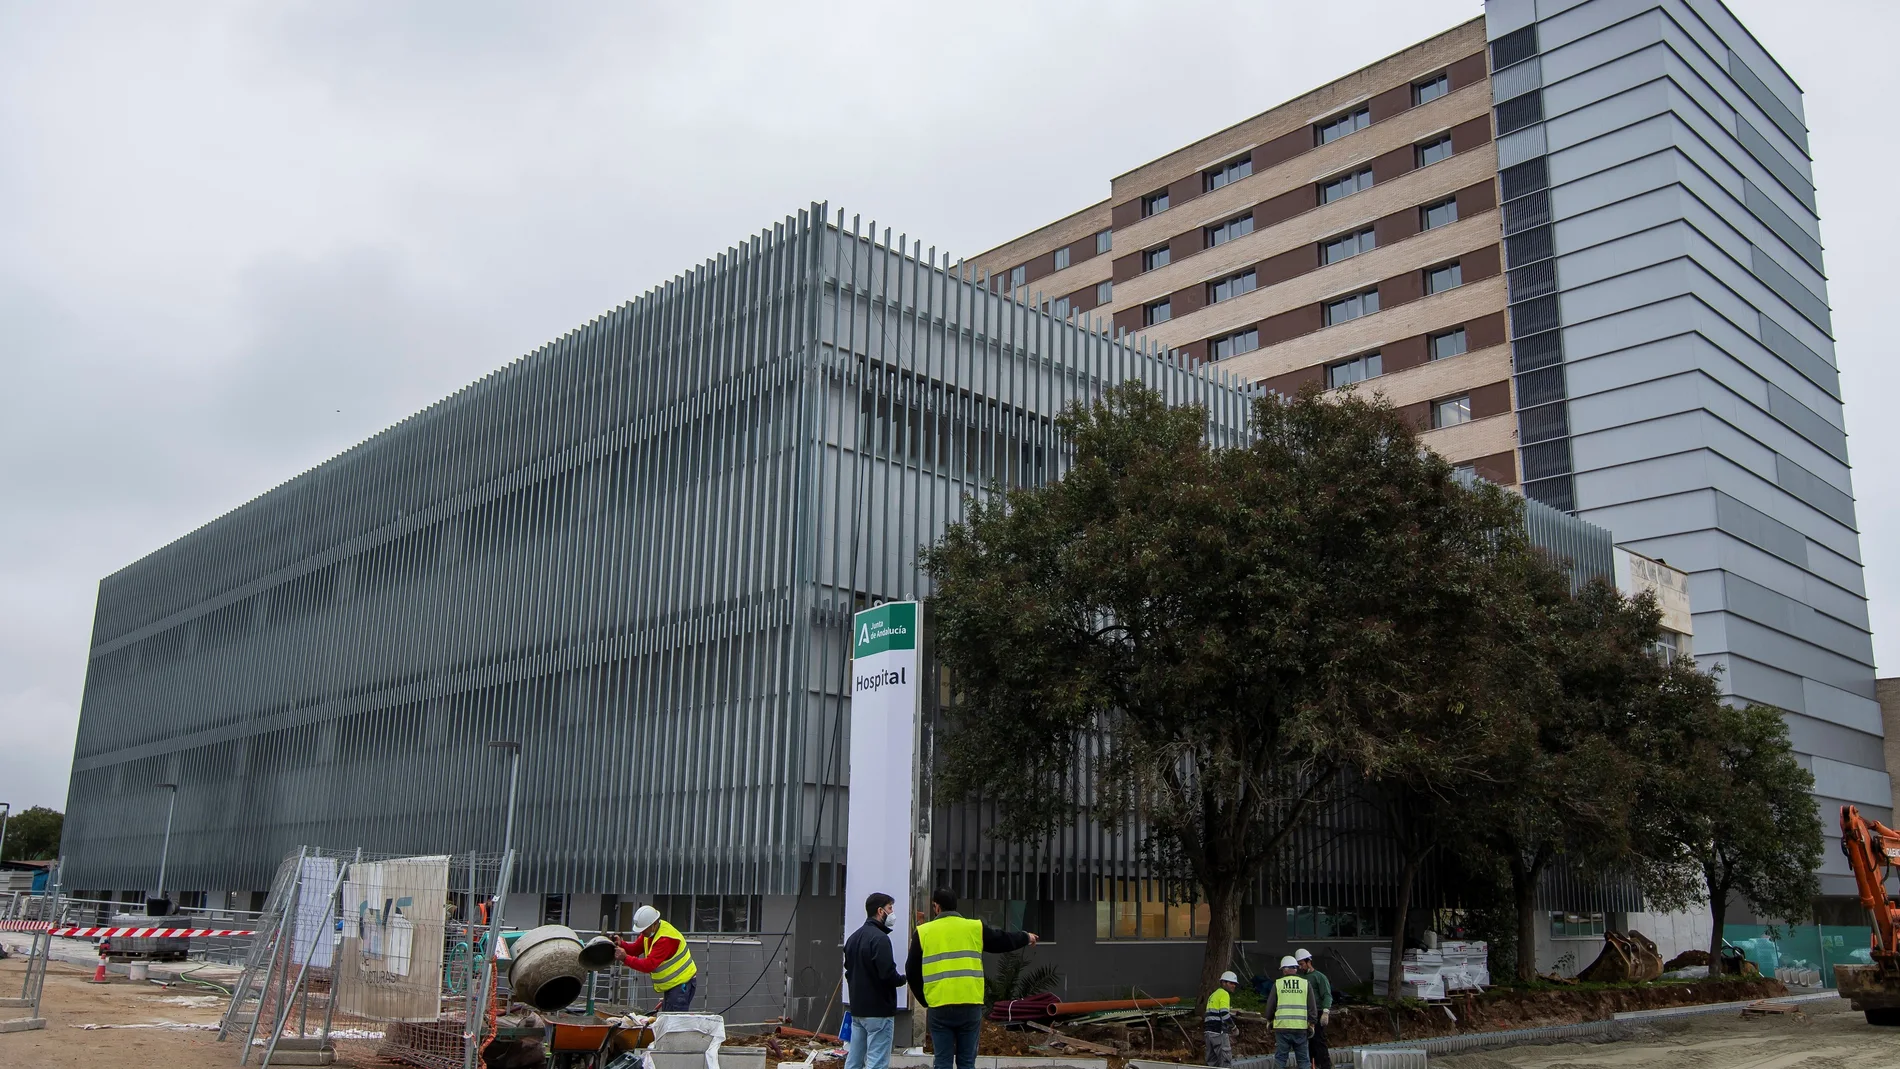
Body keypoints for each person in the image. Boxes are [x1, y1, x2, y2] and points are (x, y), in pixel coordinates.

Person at [906, 889, 1038, 1069]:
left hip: (939, 1005)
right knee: (967, 1062)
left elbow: (911, 971)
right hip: (969, 1004)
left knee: (942, 1061)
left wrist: (924, 1000)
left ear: (936, 907)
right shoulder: (974, 927)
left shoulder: (923, 932)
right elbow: (1002, 940)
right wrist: (1025, 937)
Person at [844, 892, 909, 1069]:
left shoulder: (853, 938)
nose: (892, 913)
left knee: (854, 1060)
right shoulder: (880, 939)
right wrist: (904, 979)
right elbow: (887, 974)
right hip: (879, 1011)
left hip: (858, 1009)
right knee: (877, 1062)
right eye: (890, 908)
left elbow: (849, 971)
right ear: (880, 911)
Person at [613, 904, 698, 1011]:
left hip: (681, 984)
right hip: (674, 984)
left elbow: (648, 965)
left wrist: (625, 958)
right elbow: (636, 949)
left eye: (644, 930)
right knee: (668, 1018)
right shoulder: (650, 932)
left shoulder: (665, 939)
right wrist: (622, 944)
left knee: (674, 1019)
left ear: (654, 924)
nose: (642, 933)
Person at [1263, 955, 1317, 1069]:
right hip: (1301, 1028)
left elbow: (1271, 1005)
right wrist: (1312, 1023)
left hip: (1282, 1028)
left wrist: (1269, 1019)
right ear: (1295, 969)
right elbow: (1312, 1006)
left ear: (1285, 969)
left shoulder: (1278, 984)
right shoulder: (1305, 983)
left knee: (1280, 1059)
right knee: (1303, 1061)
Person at [1294, 949, 1332, 1069]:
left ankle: (1325, 1065)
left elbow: (1326, 995)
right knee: (1307, 1041)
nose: (1300, 967)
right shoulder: (1299, 978)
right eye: (1298, 965)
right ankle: (1311, 1064)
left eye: (1302, 964)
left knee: (1318, 1040)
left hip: (1317, 1012)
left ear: (1309, 961)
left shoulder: (1319, 977)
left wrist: (1325, 1011)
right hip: (1304, 1013)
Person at [1202, 970, 1240, 1067]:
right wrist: (1234, 1028)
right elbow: (1224, 1014)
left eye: (1235, 984)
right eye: (1231, 983)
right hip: (1219, 1033)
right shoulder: (1224, 994)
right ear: (1223, 982)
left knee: (1211, 1063)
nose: (1234, 986)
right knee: (1225, 1062)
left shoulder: (1213, 995)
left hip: (1208, 1033)